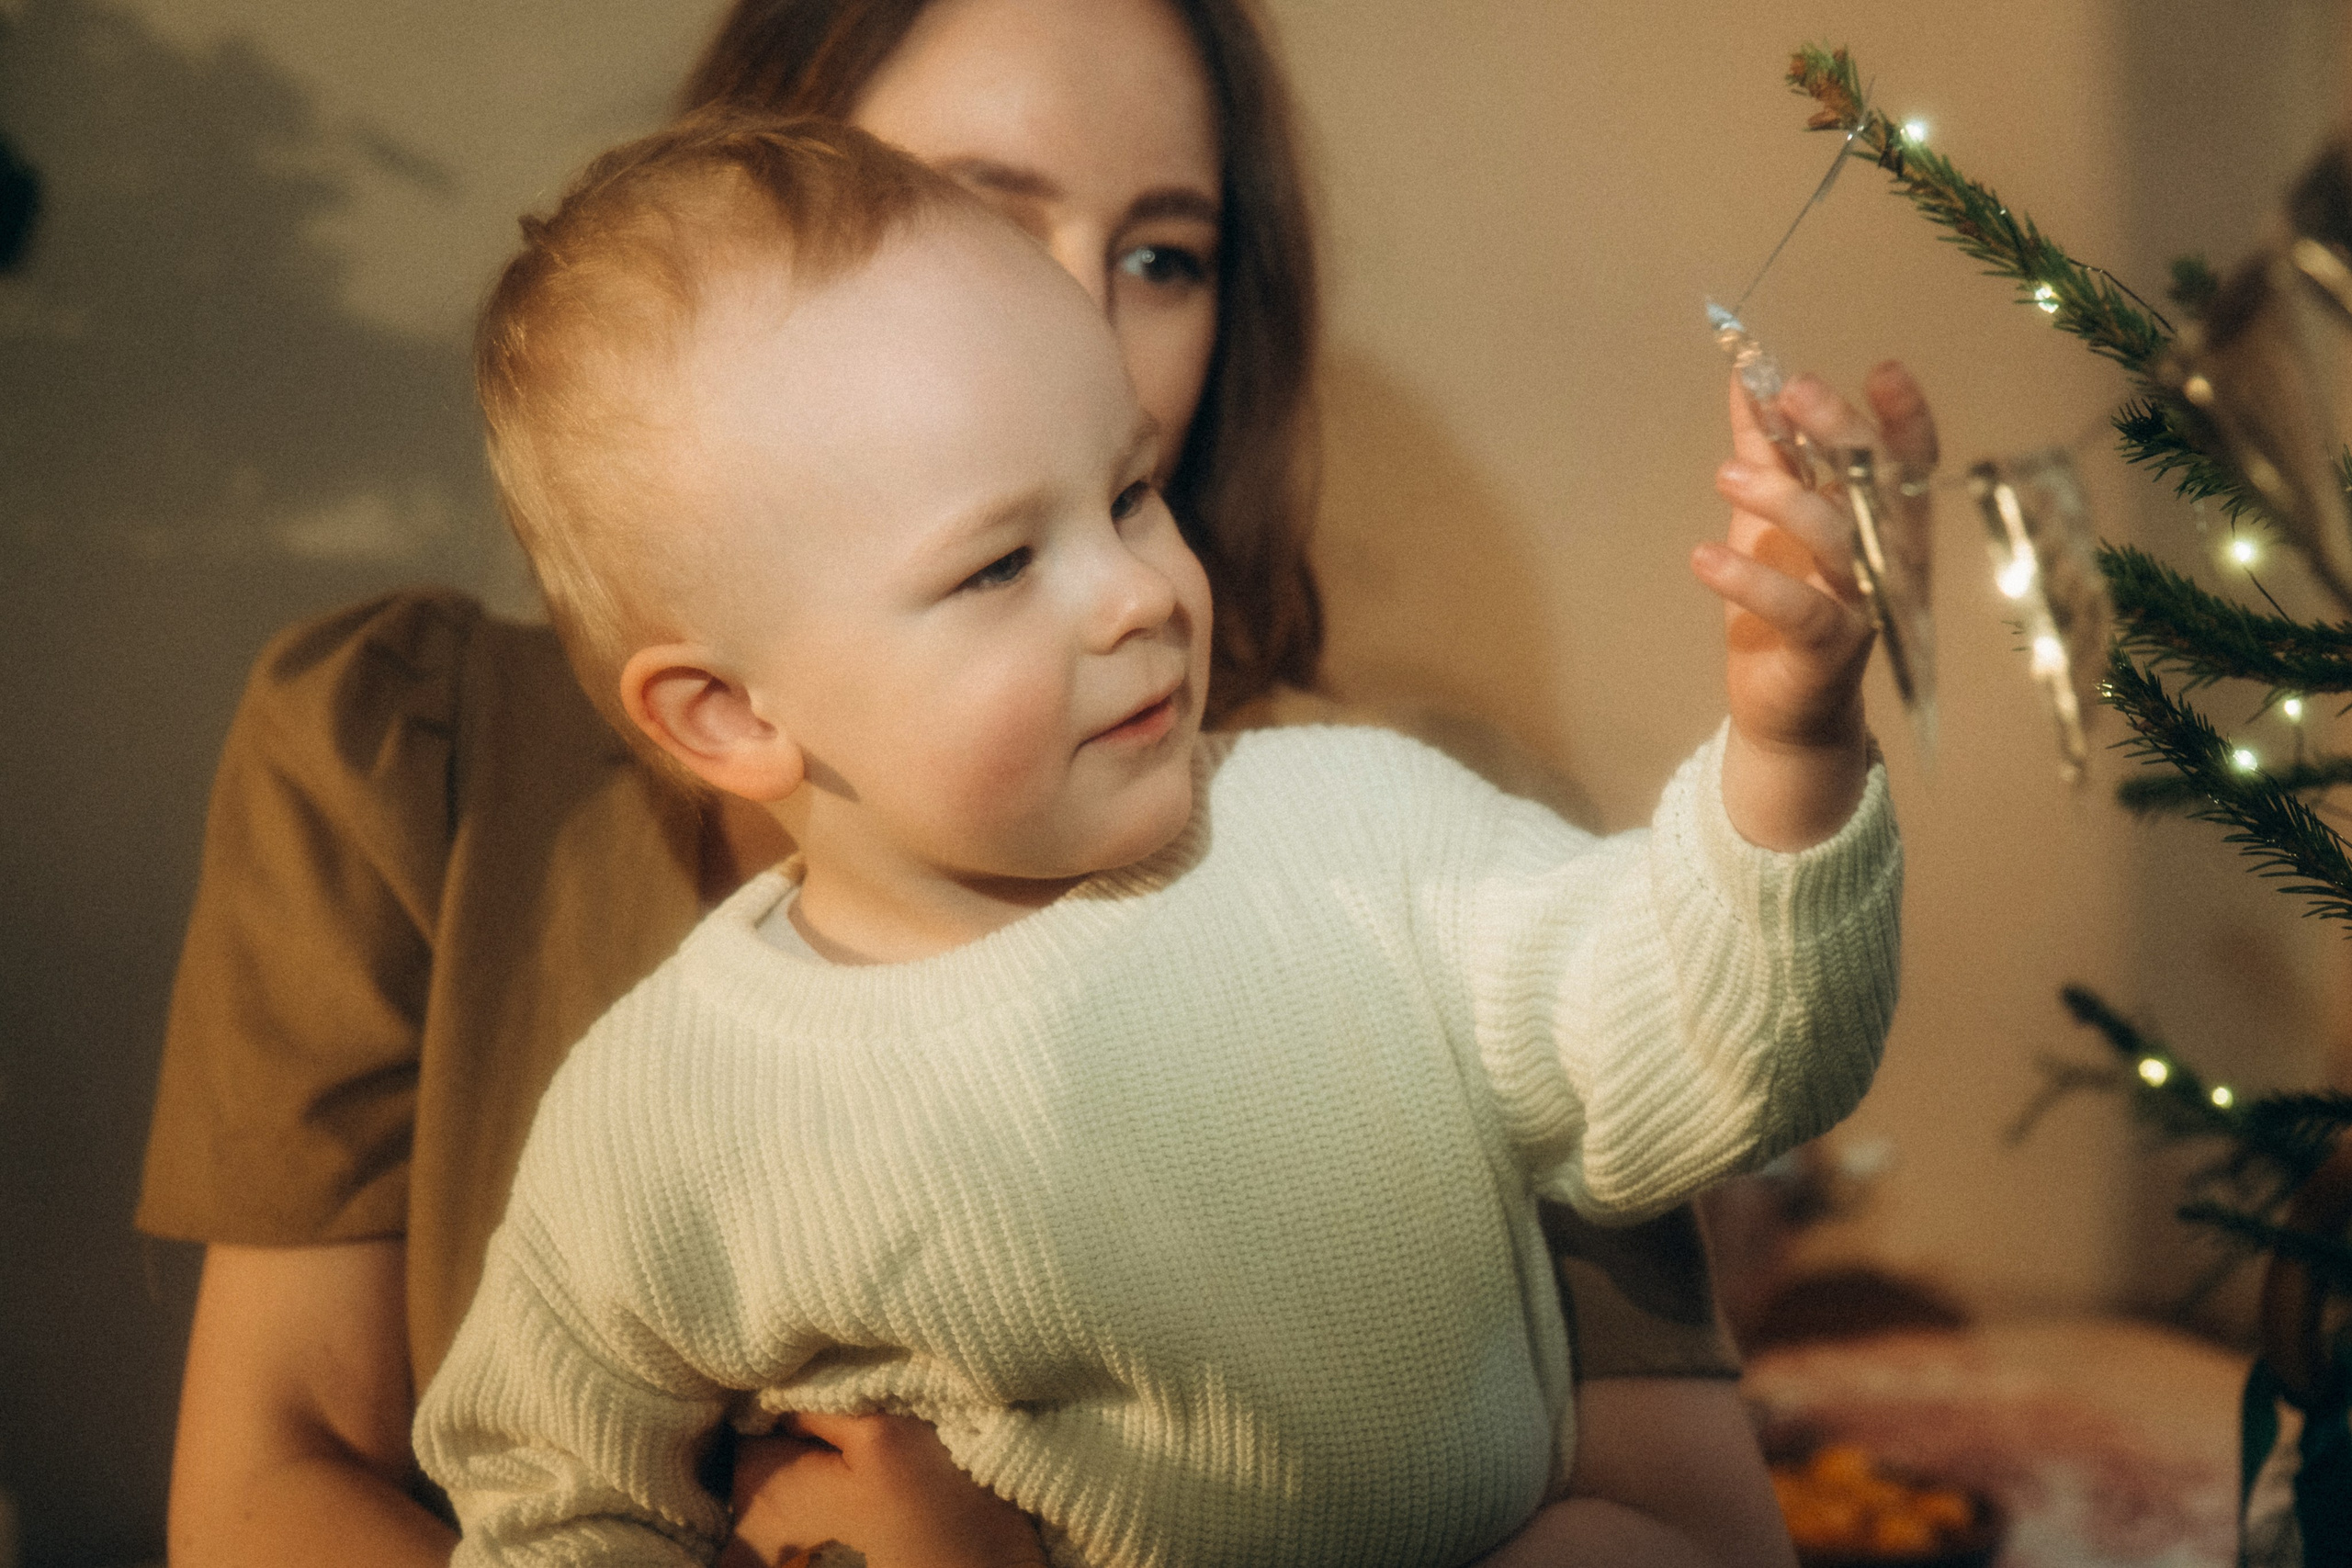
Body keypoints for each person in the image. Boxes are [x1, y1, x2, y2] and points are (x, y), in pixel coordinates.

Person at [142, 1, 1939, 1562]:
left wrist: (1790, 736)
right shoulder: (648, 1109)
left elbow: (1717, 1030)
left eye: (1161, 258)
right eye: (976, 211)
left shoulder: (1368, 831)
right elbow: (539, 1505)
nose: (1138, 587)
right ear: (722, 712)